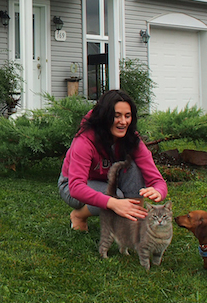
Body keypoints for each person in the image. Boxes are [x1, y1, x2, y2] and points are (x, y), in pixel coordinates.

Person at [57, 89, 168, 231]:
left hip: (108, 180)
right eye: (117, 116)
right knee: (116, 196)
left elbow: (158, 180)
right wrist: (113, 203)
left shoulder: (131, 139)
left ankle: (133, 221)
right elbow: (76, 187)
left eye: (127, 116)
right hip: (71, 186)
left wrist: (158, 191)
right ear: (105, 116)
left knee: (134, 166)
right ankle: (79, 215)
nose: (123, 122)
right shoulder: (84, 140)